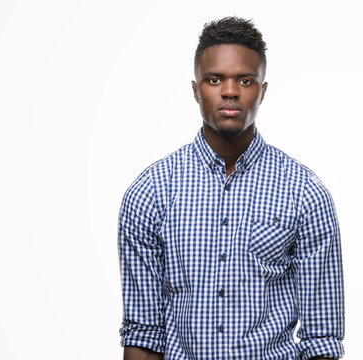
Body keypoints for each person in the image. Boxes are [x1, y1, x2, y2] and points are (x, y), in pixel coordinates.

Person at [118, 17, 344, 360]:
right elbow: (143, 333)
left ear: (262, 90)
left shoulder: (305, 193)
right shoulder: (150, 192)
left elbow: (322, 339)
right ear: (196, 90)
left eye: (245, 80)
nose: (229, 91)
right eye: (214, 79)